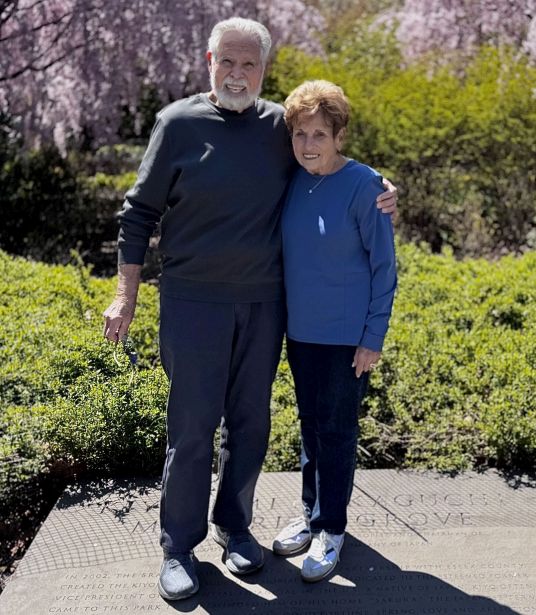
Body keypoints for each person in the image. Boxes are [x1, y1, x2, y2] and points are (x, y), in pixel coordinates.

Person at [103, 18, 397, 601]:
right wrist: (124, 295)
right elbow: (137, 215)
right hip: (193, 302)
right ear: (209, 61)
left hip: (265, 305)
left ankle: (235, 528)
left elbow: (327, 160)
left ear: (264, 69)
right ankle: (178, 546)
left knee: (251, 425)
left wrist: (381, 189)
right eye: (228, 62)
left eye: (250, 65)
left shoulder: (278, 126)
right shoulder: (177, 123)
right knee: (192, 429)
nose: (237, 75)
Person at [272, 80, 397, 582]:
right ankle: (311, 514)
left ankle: (331, 530)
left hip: (347, 339)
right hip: (300, 332)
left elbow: (384, 267)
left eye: (319, 134)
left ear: (339, 135)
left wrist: (373, 338)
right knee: (310, 427)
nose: (308, 145)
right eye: (300, 134)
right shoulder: (293, 180)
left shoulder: (365, 186)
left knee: (337, 432)